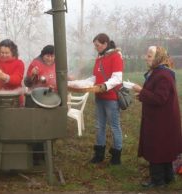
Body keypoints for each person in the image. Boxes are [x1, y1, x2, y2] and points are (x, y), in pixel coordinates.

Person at [68, 33, 124, 165]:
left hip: (111, 98)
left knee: (114, 126)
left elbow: (117, 78)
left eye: (97, 45)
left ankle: (116, 156)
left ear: (105, 44)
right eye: (95, 46)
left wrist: (104, 86)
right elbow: (94, 78)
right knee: (99, 126)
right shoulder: (99, 59)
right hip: (99, 97)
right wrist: (77, 83)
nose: (96, 48)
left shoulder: (116, 56)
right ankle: (99, 154)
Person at [132, 46, 182, 188]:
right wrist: (142, 95)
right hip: (161, 118)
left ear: (158, 57)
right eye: (147, 55)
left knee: (157, 148)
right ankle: (168, 177)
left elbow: (160, 98)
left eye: (149, 55)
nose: (146, 57)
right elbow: (154, 94)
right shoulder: (158, 72)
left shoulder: (163, 74)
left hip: (161, 120)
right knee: (165, 147)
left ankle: (157, 181)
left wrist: (140, 90)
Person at [0, 39, 25, 104]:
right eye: (2, 52)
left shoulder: (19, 63)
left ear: (13, 53)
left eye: (7, 53)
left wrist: (4, 76)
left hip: (14, 100)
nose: (4, 55)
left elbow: (17, 80)